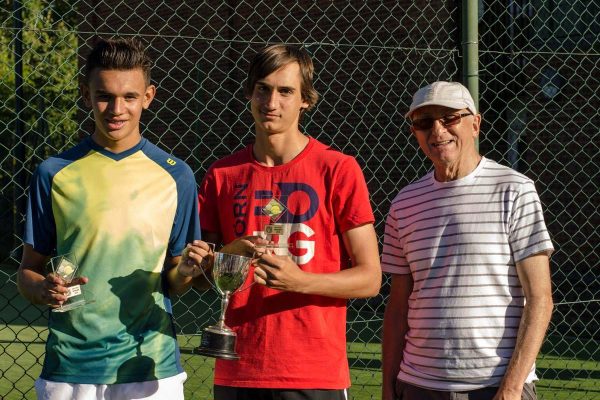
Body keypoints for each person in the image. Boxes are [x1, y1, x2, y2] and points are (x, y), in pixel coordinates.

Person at [17, 37, 210, 400]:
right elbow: (28, 271)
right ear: (86, 96)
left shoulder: (177, 175)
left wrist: (186, 272)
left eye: (130, 97)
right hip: (70, 367)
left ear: (148, 97)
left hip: (150, 366)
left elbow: (175, 280)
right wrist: (42, 289)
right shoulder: (53, 173)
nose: (116, 109)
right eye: (104, 96)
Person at [196, 44, 382, 400]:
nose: (271, 102)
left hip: (313, 372)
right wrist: (225, 257)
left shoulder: (338, 169)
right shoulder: (222, 174)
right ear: (249, 93)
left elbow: (370, 278)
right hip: (238, 369)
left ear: (305, 100)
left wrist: (300, 281)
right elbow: (205, 278)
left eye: (286, 91)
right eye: (263, 88)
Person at [381, 81, 554, 400]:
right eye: (424, 122)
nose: (437, 130)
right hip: (418, 384)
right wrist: (388, 385)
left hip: (495, 386)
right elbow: (397, 307)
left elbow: (540, 299)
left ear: (475, 123)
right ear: (414, 132)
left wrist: (512, 388)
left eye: (449, 118)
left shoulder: (514, 190)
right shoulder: (404, 203)